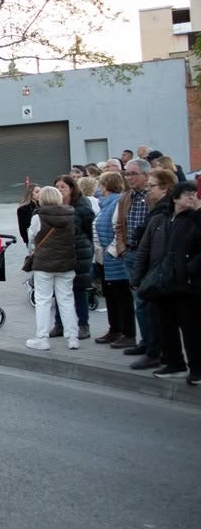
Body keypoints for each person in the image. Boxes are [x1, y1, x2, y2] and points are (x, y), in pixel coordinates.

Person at [127, 169, 178, 371]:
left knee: (160, 318)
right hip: (153, 270)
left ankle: (158, 353)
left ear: (165, 188)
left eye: (152, 186)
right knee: (156, 316)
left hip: (161, 273)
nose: (149, 191)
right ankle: (156, 351)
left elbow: (150, 245)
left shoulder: (165, 212)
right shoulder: (157, 210)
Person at [24, 186, 80, 351]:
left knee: (43, 300)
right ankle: (73, 337)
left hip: (44, 263)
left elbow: (32, 238)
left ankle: (42, 337)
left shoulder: (39, 217)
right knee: (66, 300)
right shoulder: (71, 214)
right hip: (66, 262)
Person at [114, 159, 156, 365]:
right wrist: (121, 248)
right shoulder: (126, 197)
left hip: (150, 256)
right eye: (127, 174)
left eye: (133, 174)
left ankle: (155, 346)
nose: (129, 177)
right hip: (131, 254)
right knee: (138, 301)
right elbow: (119, 225)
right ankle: (145, 342)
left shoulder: (153, 197)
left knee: (152, 302)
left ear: (146, 175)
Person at [48, 174, 95, 340]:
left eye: (63, 187)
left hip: (79, 252)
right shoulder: (54, 205)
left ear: (72, 188)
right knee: (60, 290)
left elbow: (89, 229)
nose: (60, 190)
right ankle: (60, 324)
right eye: (57, 187)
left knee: (79, 289)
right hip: (60, 253)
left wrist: (89, 248)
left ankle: (83, 324)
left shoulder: (82, 205)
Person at [94, 172, 136, 348]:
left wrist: (113, 251)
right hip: (106, 259)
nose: (99, 188)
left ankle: (128, 333)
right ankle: (115, 329)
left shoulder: (118, 202)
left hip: (115, 258)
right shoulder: (106, 204)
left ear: (106, 185)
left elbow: (118, 228)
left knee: (122, 297)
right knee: (111, 296)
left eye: (101, 184)